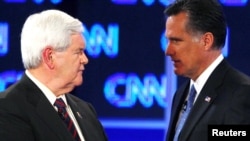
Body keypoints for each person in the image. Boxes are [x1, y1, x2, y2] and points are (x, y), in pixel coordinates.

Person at [0, 9, 108, 141]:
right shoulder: (7, 109)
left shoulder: (86, 111)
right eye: (78, 52)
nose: (85, 59)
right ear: (49, 57)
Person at [164, 0, 250, 141]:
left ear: (206, 41)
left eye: (176, 41)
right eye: (167, 41)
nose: (168, 51)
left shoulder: (241, 94)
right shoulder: (180, 95)